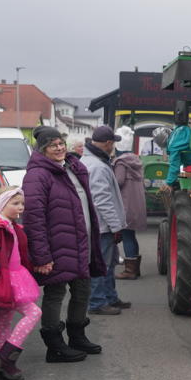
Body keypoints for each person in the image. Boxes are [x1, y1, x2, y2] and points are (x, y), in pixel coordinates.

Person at [22, 126, 105, 362]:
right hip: (56, 247)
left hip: (81, 243)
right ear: (42, 149)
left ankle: (77, 336)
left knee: (83, 291)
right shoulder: (38, 175)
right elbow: (33, 218)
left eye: (61, 143)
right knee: (56, 292)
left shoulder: (72, 167)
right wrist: (41, 256)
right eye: (52, 145)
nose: (59, 148)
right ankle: (55, 346)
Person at [0, 186, 41, 380]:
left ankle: (5, 366)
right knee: (34, 313)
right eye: (15, 203)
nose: (20, 207)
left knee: (5, 319)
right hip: (6, 280)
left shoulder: (11, 225)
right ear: (2, 205)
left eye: (22, 203)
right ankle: (6, 356)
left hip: (16, 276)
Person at [81, 124, 129, 316]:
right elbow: (102, 200)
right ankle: (98, 302)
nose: (113, 147)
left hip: (100, 224)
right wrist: (116, 226)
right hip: (102, 226)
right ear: (108, 143)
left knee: (108, 264)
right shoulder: (98, 167)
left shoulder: (90, 161)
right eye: (113, 143)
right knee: (102, 265)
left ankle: (109, 297)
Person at [112, 127, 147, 280]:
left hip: (126, 204)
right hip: (136, 204)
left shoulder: (121, 162)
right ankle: (135, 268)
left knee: (127, 236)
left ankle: (130, 270)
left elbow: (118, 182)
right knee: (131, 235)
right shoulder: (135, 160)